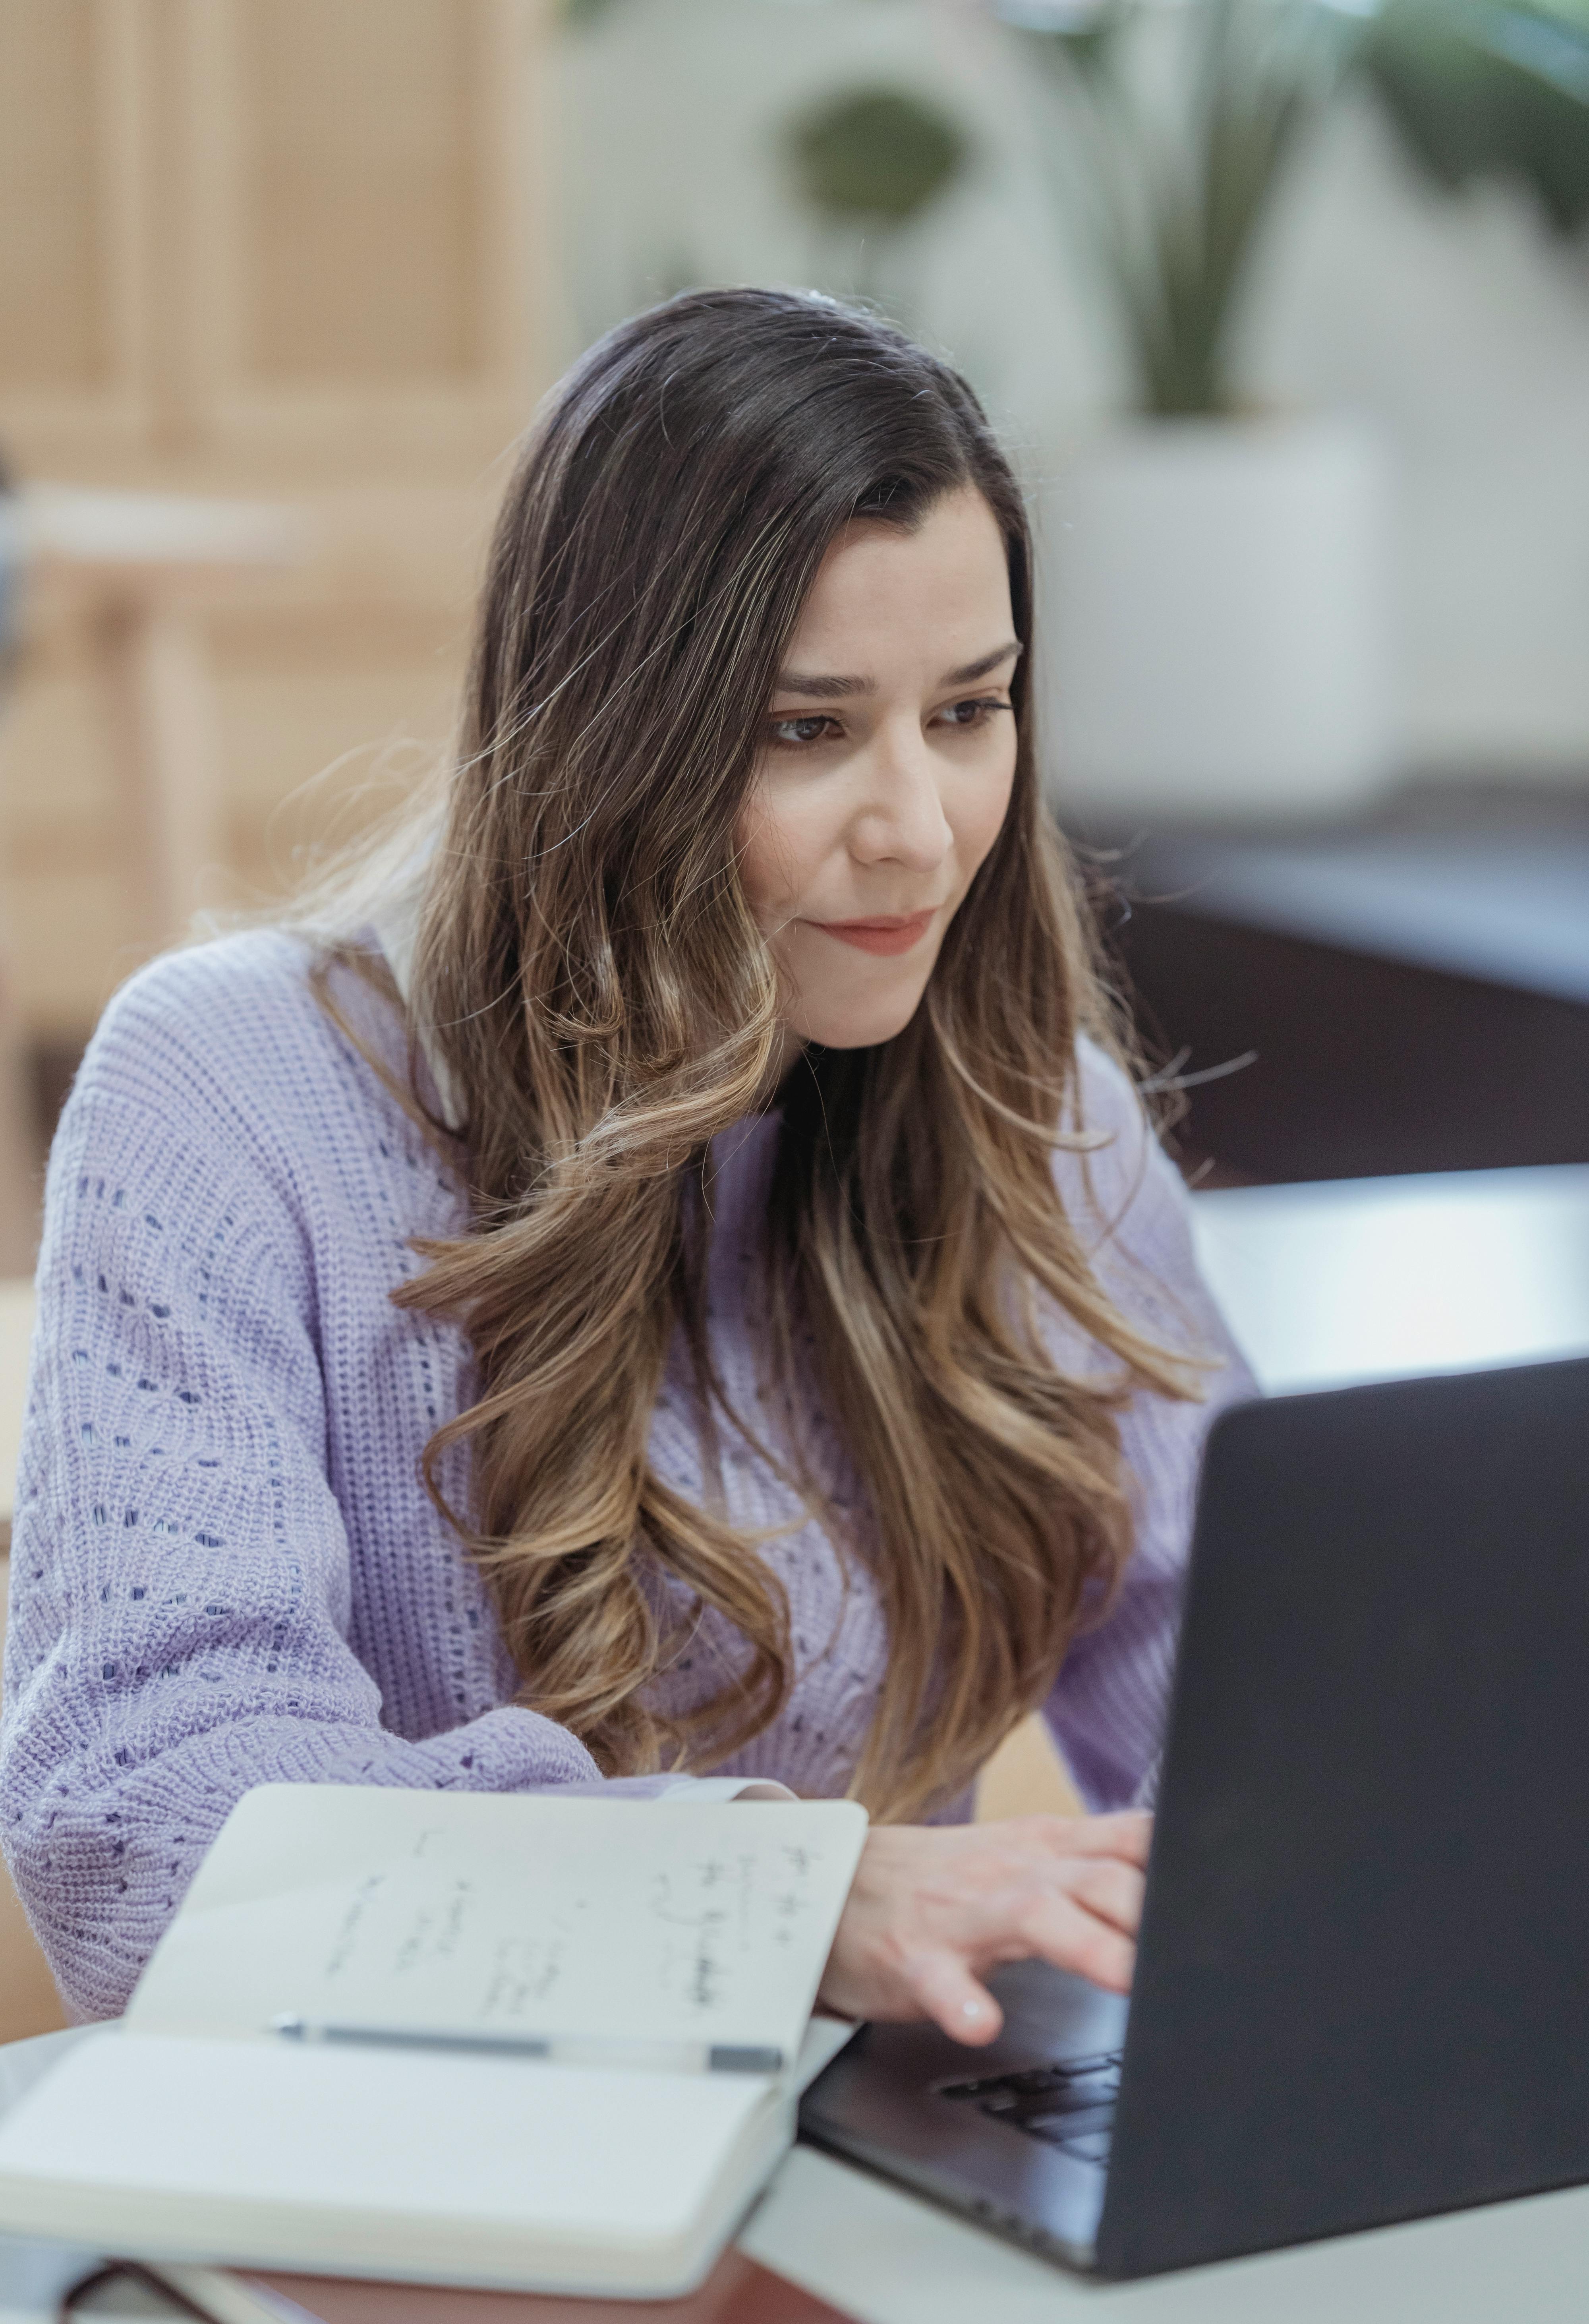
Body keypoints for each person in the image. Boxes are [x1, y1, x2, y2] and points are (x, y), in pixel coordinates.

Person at [0, 289, 1251, 2041]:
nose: (916, 828)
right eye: (805, 731)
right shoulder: (229, 1094)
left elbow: (1257, 1739)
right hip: (410, 2201)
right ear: (613, 740)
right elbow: (148, 1849)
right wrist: (780, 1899)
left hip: (871, 2171)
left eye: (967, 711)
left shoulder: (1037, 1118)